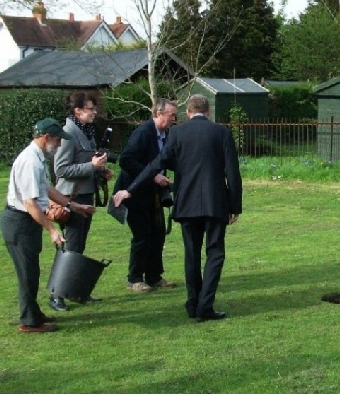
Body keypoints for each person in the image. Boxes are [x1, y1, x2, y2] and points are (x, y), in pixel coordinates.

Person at [113, 94, 242, 322]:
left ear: (188, 113)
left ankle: (193, 304)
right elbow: (232, 172)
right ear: (208, 112)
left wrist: (129, 189)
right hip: (215, 202)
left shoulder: (177, 133)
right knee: (215, 253)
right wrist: (235, 205)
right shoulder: (222, 132)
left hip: (187, 204)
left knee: (191, 254)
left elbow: (155, 165)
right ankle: (205, 305)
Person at [1, 119, 95, 333]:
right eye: (58, 140)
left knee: (31, 270)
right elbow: (30, 203)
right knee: (27, 273)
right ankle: (29, 321)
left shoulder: (37, 157)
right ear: (47, 138)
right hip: (20, 222)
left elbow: (47, 188)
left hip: (24, 221)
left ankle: (33, 313)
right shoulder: (30, 162)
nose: (61, 145)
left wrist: (73, 205)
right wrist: (52, 230)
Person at [50, 92, 113, 312]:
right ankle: (57, 295)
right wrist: (91, 167)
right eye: (90, 108)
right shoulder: (68, 133)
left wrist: (100, 171)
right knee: (72, 246)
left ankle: (75, 290)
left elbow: (86, 161)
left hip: (84, 194)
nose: (94, 112)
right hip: (71, 198)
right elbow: (61, 169)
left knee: (78, 245)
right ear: (77, 111)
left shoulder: (85, 131)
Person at [114, 98, 179, 292]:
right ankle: (134, 279)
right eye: (171, 115)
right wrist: (153, 177)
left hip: (153, 195)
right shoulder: (143, 133)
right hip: (134, 194)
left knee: (158, 234)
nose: (174, 119)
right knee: (142, 235)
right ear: (158, 114)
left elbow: (167, 160)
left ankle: (154, 277)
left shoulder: (166, 134)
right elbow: (125, 161)